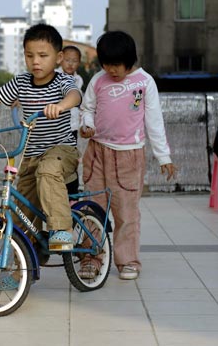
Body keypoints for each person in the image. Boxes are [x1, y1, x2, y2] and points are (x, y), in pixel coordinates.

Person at [0, 23, 82, 254]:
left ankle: (61, 230)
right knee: (21, 212)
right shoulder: (21, 82)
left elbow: (75, 95)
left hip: (61, 151)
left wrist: (60, 106)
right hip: (30, 155)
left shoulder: (62, 82)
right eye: (30, 56)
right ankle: (20, 265)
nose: (35, 61)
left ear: (58, 58)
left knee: (48, 170)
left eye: (42, 55)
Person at [79, 30, 177, 280]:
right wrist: (87, 124)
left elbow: (154, 121)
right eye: (106, 65)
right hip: (97, 153)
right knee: (93, 208)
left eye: (116, 65)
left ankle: (128, 261)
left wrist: (163, 156)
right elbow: (87, 108)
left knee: (127, 212)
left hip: (129, 156)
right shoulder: (98, 81)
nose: (111, 70)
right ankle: (91, 257)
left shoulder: (144, 82)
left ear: (130, 60)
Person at [57, 45, 84, 194]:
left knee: (71, 161)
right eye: (67, 60)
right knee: (55, 162)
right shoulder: (54, 76)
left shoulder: (79, 80)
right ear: (60, 59)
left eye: (74, 61)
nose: (70, 64)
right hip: (55, 127)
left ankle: (72, 196)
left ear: (79, 63)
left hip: (72, 129)